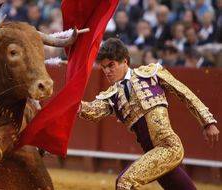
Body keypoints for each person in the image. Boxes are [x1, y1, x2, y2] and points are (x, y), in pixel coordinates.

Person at [78, 38, 219, 190]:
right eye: (104, 67)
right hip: (152, 155)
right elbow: (91, 111)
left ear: (125, 61)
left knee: (126, 182)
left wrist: (207, 121)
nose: (107, 71)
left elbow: (184, 93)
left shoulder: (151, 73)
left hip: (168, 147)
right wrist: (72, 103)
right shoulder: (111, 96)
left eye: (111, 65)